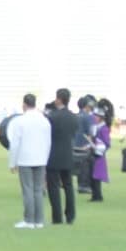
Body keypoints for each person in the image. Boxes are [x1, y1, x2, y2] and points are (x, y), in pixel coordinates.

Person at [8, 92, 50, 229]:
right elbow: (48, 142)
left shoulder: (20, 121)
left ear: (24, 105)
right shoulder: (44, 120)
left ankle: (29, 220)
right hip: (40, 158)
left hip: (25, 159)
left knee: (27, 190)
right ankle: (39, 220)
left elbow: (15, 144)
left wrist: (12, 162)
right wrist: (46, 159)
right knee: (38, 190)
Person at [45, 89, 79, 225]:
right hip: (68, 154)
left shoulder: (52, 117)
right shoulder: (74, 117)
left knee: (53, 187)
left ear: (58, 99)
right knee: (68, 186)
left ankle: (57, 217)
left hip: (53, 155)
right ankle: (70, 215)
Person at [86, 97, 112, 202]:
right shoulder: (96, 127)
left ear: (101, 117)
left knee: (96, 176)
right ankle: (94, 195)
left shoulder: (104, 128)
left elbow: (107, 143)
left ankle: (97, 195)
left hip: (99, 153)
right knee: (92, 175)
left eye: (96, 116)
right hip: (93, 151)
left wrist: (97, 146)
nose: (95, 118)